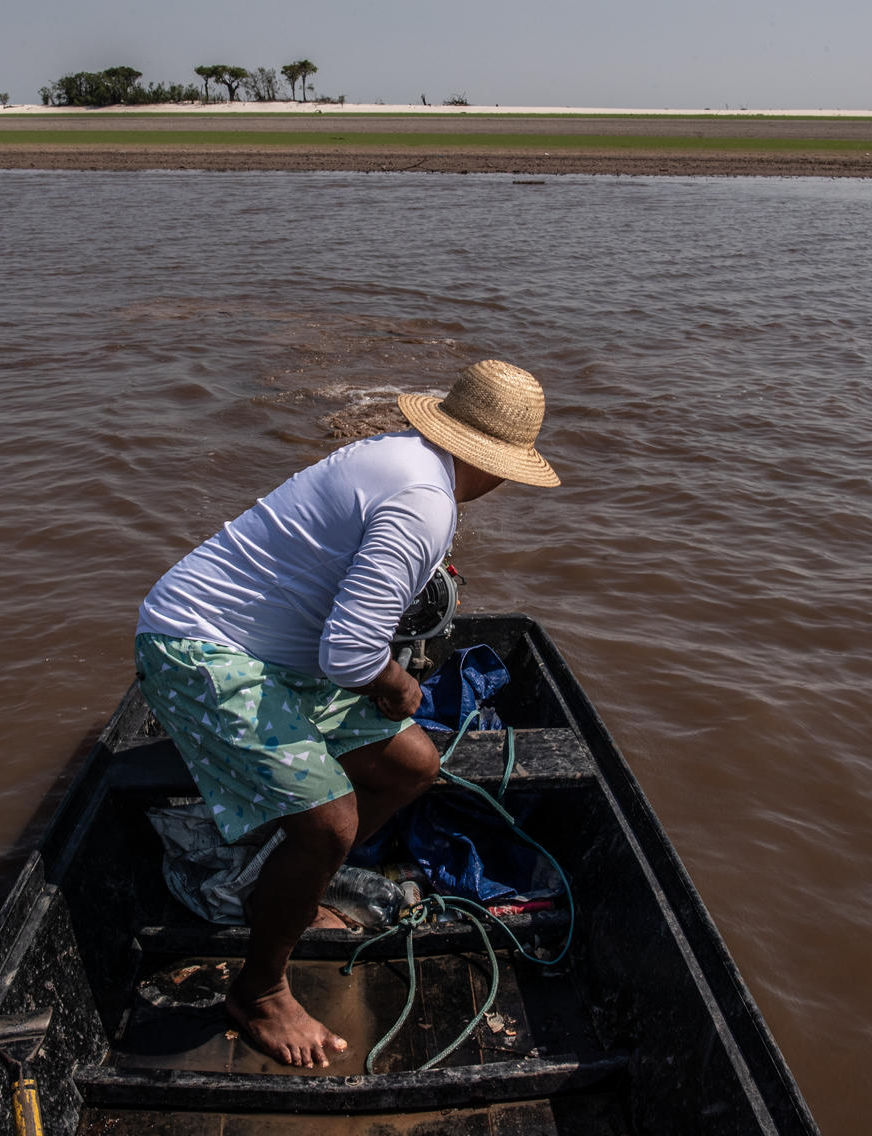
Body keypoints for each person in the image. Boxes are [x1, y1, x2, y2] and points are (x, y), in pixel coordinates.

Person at [133, 359, 560, 1068]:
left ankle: (297, 878)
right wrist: (396, 688)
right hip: (196, 647)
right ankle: (260, 989)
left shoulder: (397, 453)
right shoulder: (425, 503)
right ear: (503, 466)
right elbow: (353, 653)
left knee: (412, 765)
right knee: (333, 820)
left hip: (279, 653)